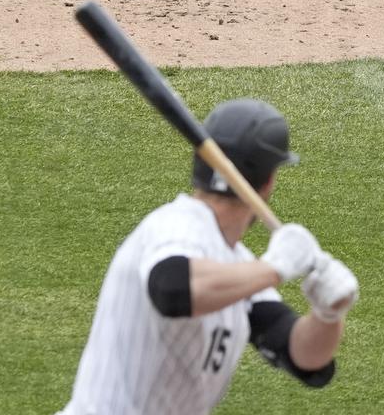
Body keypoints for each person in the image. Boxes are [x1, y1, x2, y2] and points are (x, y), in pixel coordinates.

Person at [55, 98, 358, 415]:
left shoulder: (238, 266)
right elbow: (172, 288)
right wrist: (275, 267)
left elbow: (302, 357)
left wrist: (328, 314)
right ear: (268, 182)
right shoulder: (173, 226)